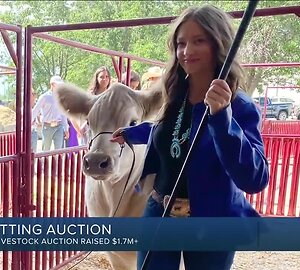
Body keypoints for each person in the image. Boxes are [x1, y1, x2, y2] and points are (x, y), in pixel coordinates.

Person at [110, 5, 269, 270]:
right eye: (181, 43)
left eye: (198, 41)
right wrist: (132, 133)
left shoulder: (238, 105)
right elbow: (176, 134)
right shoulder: (175, 95)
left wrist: (222, 118)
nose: (187, 51)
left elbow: (255, 178)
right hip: (159, 212)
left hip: (212, 221)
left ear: (219, 44)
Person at [31, 76, 69, 151]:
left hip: (59, 126)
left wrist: (66, 128)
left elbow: (63, 114)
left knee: (59, 151)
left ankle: (58, 163)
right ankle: (45, 162)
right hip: (47, 126)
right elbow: (36, 110)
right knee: (46, 149)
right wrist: (28, 123)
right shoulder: (44, 97)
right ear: (52, 84)